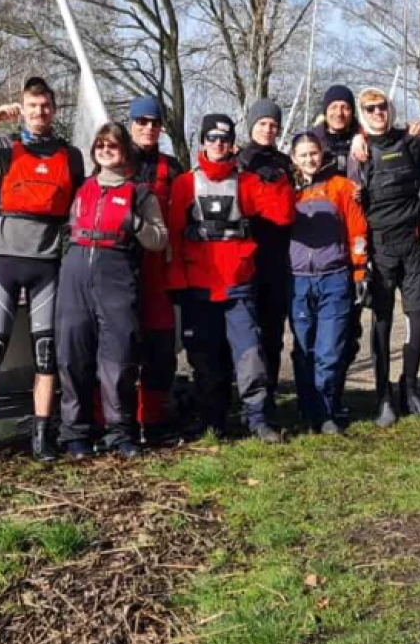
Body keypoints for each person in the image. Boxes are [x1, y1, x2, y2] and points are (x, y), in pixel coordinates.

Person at [0, 76, 86, 464]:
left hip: (47, 266)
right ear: (22, 110)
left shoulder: (70, 156)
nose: (40, 112)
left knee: (46, 355)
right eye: (32, 106)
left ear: (54, 111)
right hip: (4, 262)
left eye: (46, 106)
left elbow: (81, 204)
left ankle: (42, 437)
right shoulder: (5, 148)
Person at [168, 113, 293, 443]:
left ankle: (257, 419)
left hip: (238, 285)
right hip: (199, 287)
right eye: (212, 138)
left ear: (232, 143)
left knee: (250, 355)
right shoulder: (185, 184)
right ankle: (213, 421)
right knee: (205, 359)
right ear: (203, 141)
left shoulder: (246, 181)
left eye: (224, 139)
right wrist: (178, 285)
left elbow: (281, 214)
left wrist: (276, 179)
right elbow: (173, 238)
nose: (218, 144)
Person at [56, 123, 168, 460]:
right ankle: (76, 432)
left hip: (116, 272)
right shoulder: (81, 188)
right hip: (76, 270)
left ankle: (119, 432)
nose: (106, 150)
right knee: (72, 352)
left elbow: (160, 240)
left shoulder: (140, 194)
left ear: (125, 152)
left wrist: (134, 222)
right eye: (100, 145)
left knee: (118, 357)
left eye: (113, 146)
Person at [348, 86, 420, 426]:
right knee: (381, 323)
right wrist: (358, 138)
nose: (377, 113)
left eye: (382, 106)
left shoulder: (410, 139)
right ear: (362, 114)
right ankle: (383, 397)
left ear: (391, 108)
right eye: (369, 109)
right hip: (379, 249)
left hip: (412, 245)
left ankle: (411, 390)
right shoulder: (358, 151)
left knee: (419, 318)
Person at [286, 132, 369, 435]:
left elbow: (357, 231)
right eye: (303, 155)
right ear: (294, 158)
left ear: (322, 154)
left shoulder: (342, 188)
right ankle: (307, 410)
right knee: (303, 347)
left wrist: (360, 272)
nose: (310, 159)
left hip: (334, 278)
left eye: (314, 153)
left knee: (330, 349)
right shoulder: (289, 191)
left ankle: (327, 410)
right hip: (298, 282)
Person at [126, 96, 185, 445]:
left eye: (155, 122)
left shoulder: (172, 168)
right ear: (131, 124)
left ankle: (155, 419)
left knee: (161, 350)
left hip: (160, 273)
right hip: (122, 271)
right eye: (142, 121)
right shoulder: (116, 161)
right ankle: (118, 421)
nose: (149, 128)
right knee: (121, 349)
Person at [239, 98, 293, 428]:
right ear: (252, 126)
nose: (268, 129)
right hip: (248, 256)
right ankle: (248, 396)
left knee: (274, 332)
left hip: (279, 256)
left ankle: (269, 394)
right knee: (249, 332)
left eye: (273, 124)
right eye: (263, 123)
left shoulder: (286, 163)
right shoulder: (241, 160)